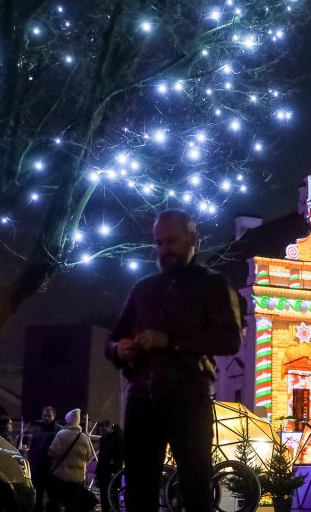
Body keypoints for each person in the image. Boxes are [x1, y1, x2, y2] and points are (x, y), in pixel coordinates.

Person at [106, 210, 242, 512]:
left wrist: (171, 342)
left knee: (196, 487)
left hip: (188, 398)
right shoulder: (144, 288)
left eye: (171, 241)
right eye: (158, 243)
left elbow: (230, 340)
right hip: (142, 399)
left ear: (192, 240)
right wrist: (120, 349)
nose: (164, 249)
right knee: (139, 489)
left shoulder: (213, 284)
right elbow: (111, 339)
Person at [47, 408, 93, 512]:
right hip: (77, 478)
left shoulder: (61, 434)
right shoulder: (84, 437)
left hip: (60, 476)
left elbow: (52, 452)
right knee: (72, 504)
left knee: (55, 501)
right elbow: (88, 456)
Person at [30, 406, 62, 512]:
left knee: (53, 497)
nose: (47, 418)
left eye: (49, 416)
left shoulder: (59, 430)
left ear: (54, 416)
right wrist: (31, 462)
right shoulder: (37, 430)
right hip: (38, 468)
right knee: (38, 496)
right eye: (45, 416)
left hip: (52, 469)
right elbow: (33, 447)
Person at [95, 421, 124, 512]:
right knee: (106, 495)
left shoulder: (117, 438)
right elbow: (102, 458)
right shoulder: (106, 438)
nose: (101, 432)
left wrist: (113, 469)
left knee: (111, 494)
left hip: (111, 472)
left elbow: (118, 457)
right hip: (107, 471)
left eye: (103, 429)